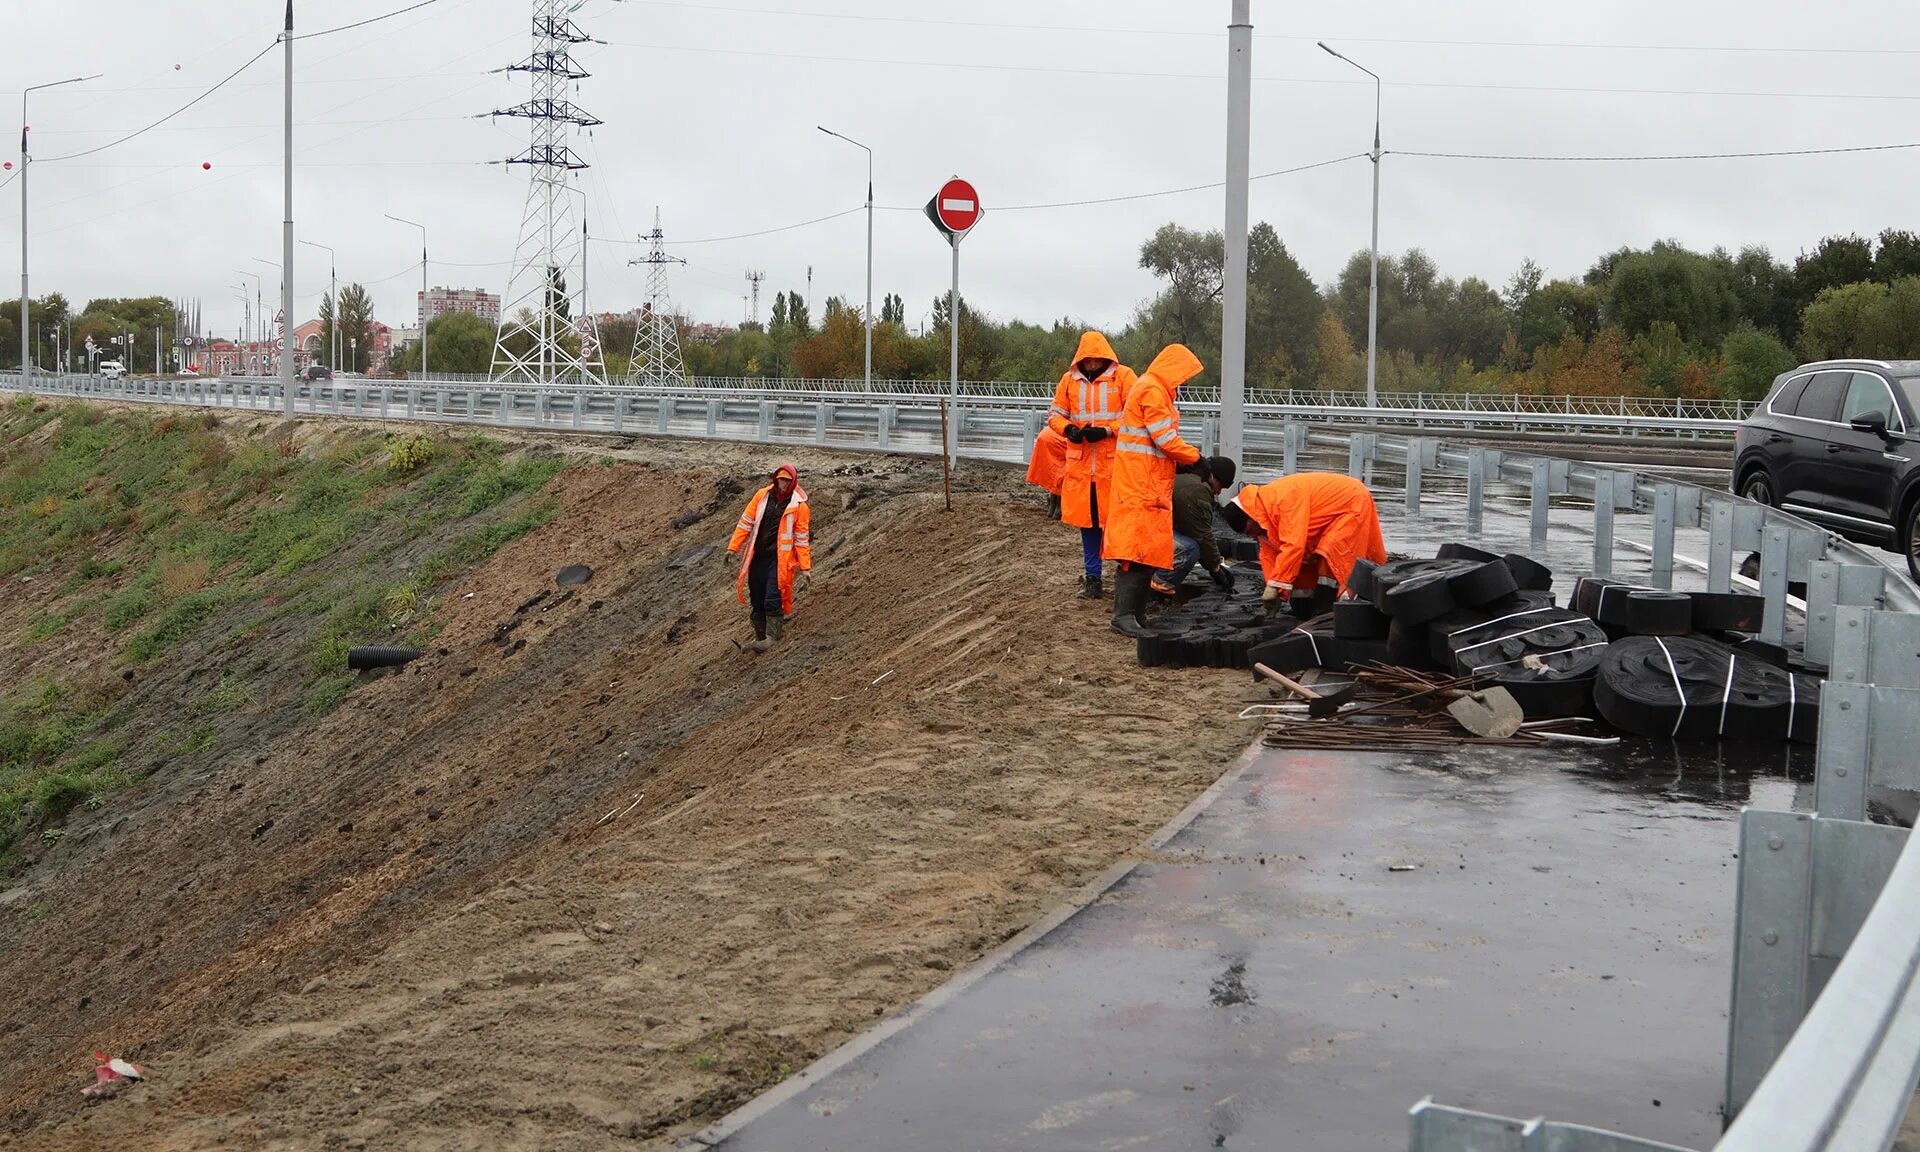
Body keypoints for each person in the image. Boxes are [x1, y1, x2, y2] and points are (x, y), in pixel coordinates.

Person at [1102, 343, 1204, 637]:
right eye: (1184, 375)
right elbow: (1165, 439)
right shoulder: (1152, 390)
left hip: (1148, 482)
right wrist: (1196, 458)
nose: (1184, 381)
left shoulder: (1156, 389)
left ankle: (1136, 613)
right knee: (1134, 551)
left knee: (1146, 550)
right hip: (1139, 484)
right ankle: (1123, 616)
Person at [1047, 332, 1138, 599]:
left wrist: (1109, 431)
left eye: (1096, 359)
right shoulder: (1069, 380)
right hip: (1082, 468)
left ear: (1105, 357)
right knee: (1088, 525)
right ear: (1080, 359)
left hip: (1115, 466)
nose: (1091, 364)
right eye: (1087, 360)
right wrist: (1068, 429)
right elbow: (1055, 414)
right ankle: (1093, 580)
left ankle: (1126, 582)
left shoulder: (1124, 377)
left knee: (1119, 525)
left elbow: (1136, 415)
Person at [1220, 471, 1388, 615]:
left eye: (1250, 531)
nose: (1253, 536)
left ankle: (1332, 608)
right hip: (1330, 510)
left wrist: (1276, 584)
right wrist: (1276, 590)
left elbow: (1294, 545)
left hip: (1350, 503)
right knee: (1303, 566)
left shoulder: (1282, 501)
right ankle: (1306, 607)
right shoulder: (1263, 519)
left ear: (1250, 516)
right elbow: (1271, 555)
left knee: (1333, 551)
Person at [727, 463, 812, 652]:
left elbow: (801, 539)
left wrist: (805, 568)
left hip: (779, 559)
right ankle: (760, 636)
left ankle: (773, 636)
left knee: (773, 596)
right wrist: (733, 548)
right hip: (758, 555)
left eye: (788, 481)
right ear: (776, 479)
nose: (784, 484)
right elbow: (746, 522)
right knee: (756, 594)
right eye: (782, 480)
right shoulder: (762, 496)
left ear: (793, 482)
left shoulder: (799, 507)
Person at [1152, 455, 1239, 596]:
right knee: (1190, 548)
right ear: (1212, 476)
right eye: (1221, 486)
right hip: (1144, 536)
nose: (1219, 492)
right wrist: (1215, 568)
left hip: (1141, 531)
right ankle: (1158, 584)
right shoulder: (1197, 490)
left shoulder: (1184, 478)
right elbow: (1202, 534)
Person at [1026, 423, 1070, 520]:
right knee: (1065, 469)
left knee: (1055, 469)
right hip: (1062, 436)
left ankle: (1053, 500)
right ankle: (1059, 505)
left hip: (1048, 434)